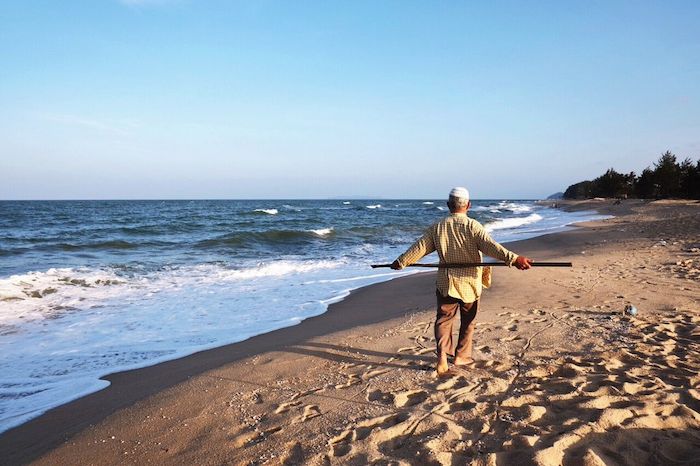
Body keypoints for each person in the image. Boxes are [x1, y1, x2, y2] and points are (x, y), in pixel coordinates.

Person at [391, 187, 533, 376]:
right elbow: (492, 247)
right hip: (470, 284)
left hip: (446, 283)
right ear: (468, 205)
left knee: (444, 320)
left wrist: (401, 262)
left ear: (449, 205)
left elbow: (419, 248)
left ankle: (442, 357)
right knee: (468, 321)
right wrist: (514, 259)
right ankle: (461, 356)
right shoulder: (473, 226)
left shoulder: (438, 227)